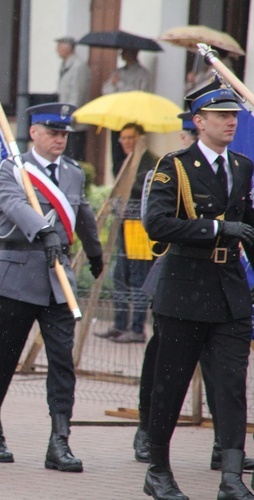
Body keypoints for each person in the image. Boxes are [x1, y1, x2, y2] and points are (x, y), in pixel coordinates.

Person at [143, 79, 254, 499]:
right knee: (169, 384)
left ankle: (230, 477)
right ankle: (157, 470)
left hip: (229, 294)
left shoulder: (242, 167)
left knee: (230, 386)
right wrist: (216, 228)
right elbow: (156, 224)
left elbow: (250, 228)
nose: (231, 122)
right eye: (223, 116)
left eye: (234, 116)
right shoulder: (174, 167)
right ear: (199, 121)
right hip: (184, 291)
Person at [0, 103, 103, 472]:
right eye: (53, 133)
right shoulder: (13, 169)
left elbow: (81, 214)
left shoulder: (72, 172)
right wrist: (45, 230)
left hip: (57, 280)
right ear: (34, 133)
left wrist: (95, 253)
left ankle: (59, 441)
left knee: (62, 362)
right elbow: (15, 205)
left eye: (64, 134)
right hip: (17, 276)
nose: (60, 140)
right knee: (2, 360)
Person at [94, 123, 157, 343]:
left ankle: (137, 328)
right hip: (123, 226)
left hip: (139, 229)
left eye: (131, 138)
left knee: (139, 279)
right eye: (123, 138)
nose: (126, 142)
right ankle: (120, 325)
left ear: (141, 138)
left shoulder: (151, 162)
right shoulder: (125, 161)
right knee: (118, 277)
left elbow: (146, 193)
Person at [102, 48, 152, 176]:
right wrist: (114, 84)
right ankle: (117, 178)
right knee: (117, 151)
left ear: (133, 53)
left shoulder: (142, 72)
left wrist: (120, 84)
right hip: (117, 115)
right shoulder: (118, 71)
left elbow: (139, 92)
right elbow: (106, 90)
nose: (122, 54)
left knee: (133, 149)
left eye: (125, 51)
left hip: (133, 117)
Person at [55, 36, 90, 161]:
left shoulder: (78, 66)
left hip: (75, 120)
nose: (57, 50)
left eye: (59, 46)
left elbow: (78, 92)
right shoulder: (65, 65)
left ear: (68, 48)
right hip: (65, 117)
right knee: (66, 153)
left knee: (75, 153)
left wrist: (72, 115)